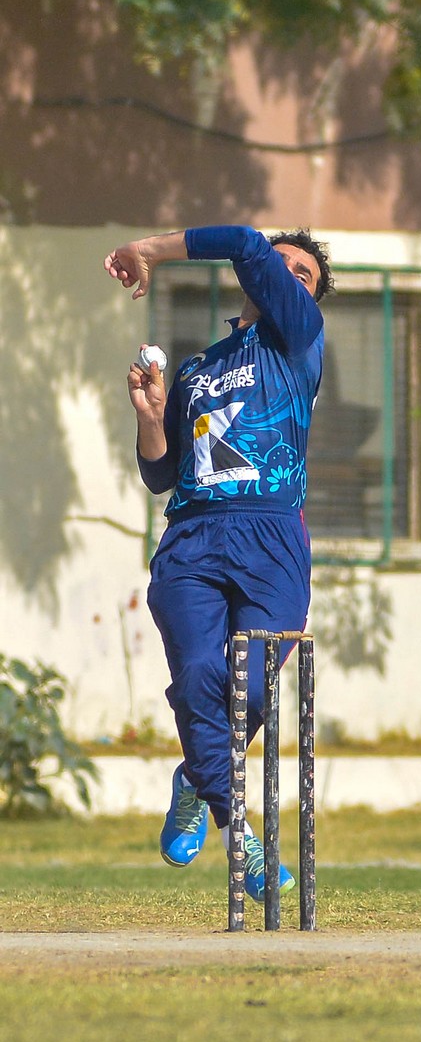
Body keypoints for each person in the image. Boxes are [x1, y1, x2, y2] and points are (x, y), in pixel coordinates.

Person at [104, 225, 333, 902]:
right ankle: (242, 837)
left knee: (252, 691)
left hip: (271, 537)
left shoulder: (299, 335)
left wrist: (148, 250)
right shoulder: (197, 369)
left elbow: (244, 242)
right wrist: (151, 416)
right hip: (193, 540)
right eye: (281, 264)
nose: (287, 274)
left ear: (309, 297)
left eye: (302, 273)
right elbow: (162, 475)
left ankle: (194, 777)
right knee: (202, 676)